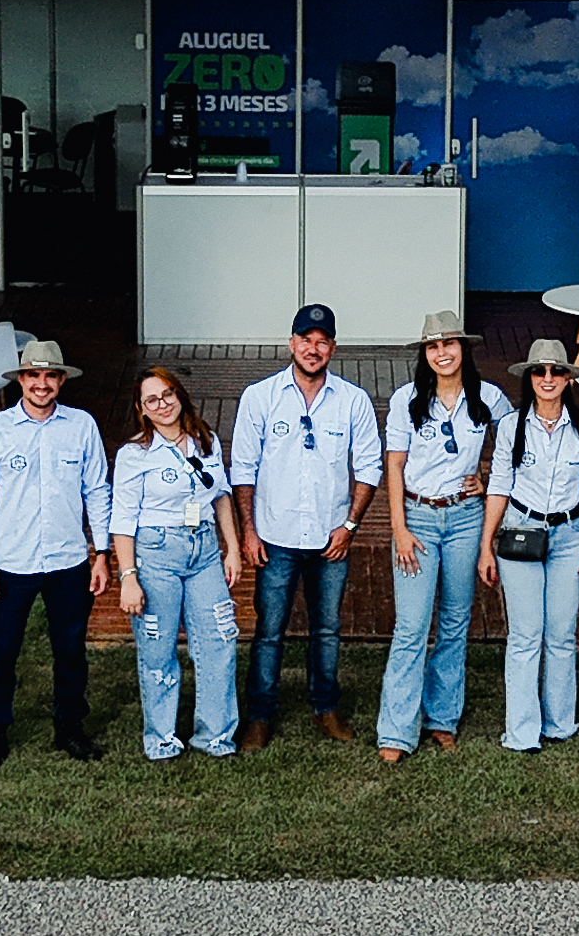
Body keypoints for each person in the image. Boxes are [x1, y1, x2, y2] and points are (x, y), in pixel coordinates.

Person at [230, 303, 382, 749]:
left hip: (330, 538)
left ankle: (325, 708)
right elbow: (243, 467)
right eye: (305, 340)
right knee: (269, 630)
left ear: (332, 347)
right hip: (274, 537)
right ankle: (259, 715)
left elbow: (370, 467)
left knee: (327, 629)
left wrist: (350, 525)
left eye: (322, 341)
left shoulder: (353, 400)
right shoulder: (259, 397)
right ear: (291, 343)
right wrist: (249, 530)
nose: (312, 349)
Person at [0, 339, 111, 773]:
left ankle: (70, 728)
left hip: (68, 560)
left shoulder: (81, 426)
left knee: (69, 649)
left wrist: (101, 553)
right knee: (1, 652)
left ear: (61, 380)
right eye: (33, 375)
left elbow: (97, 491)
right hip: (12, 562)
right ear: (20, 380)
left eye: (50, 376)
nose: (41, 384)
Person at [376, 311, 513, 761]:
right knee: (411, 626)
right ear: (425, 354)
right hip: (417, 516)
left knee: (455, 622)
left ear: (463, 349)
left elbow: (517, 443)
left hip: (465, 518)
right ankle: (397, 730)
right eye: (433, 347)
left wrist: (488, 473)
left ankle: (442, 717)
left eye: (449, 344)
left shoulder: (487, 397)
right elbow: (393, 465)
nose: (442, 353)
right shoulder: (406, 399)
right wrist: (398, 528)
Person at [476, 339, 579, 752]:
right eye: (539, 371)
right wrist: (486, 545)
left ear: (569, 379)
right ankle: (521, 732)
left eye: (556, 372)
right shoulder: (512, 426)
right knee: (525, 634)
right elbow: (499, 485)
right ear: (528, 378)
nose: (547, 379)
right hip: (521, 533)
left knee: (561, 634)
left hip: (569, 537)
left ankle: (559, 723)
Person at [110, 366, 245, 762]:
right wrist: (129, 576)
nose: (163, 404)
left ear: (180, 395)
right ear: (141, 409)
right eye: (152, 400)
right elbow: (123, 519)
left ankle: (216, 734)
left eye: (168, 394)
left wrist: (231, 549)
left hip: (202, 549)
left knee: (220, 638)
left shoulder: (205, 441)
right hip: (156, 554)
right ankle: (161, 738)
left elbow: (220, 496)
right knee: (158, 647)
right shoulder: (135, 454)